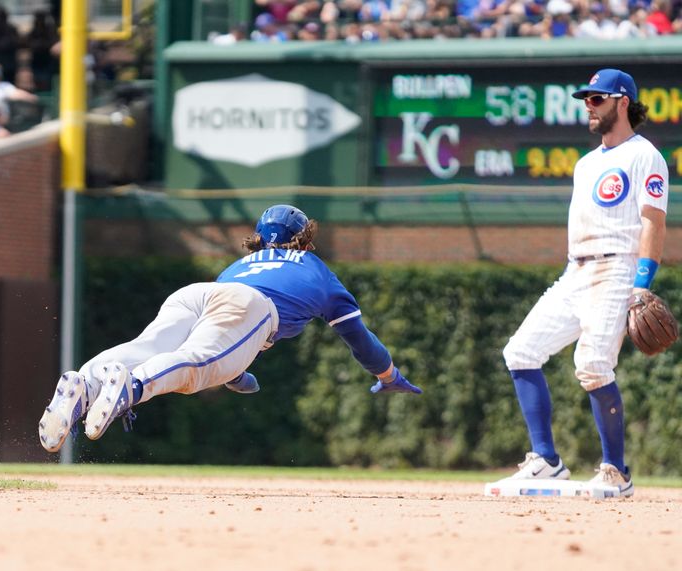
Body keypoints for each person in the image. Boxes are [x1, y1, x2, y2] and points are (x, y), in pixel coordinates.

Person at [39, 205, 423, 452]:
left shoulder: (240, 266)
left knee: (148, 344)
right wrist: (388, 373)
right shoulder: (317, 270)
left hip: (203, 292)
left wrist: (237, 375)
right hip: (252, 308)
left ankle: (85, 383)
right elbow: (360, 341)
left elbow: (230, 339)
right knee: (196, 366)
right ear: (304, 238)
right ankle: (133, 387)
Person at [502, 69, 668, 497]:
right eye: (586, 99)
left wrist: (641, 284)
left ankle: (616, 471)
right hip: (576, 270)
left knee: (592, 364)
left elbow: (653, 222)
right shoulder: (586, 163)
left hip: (617, 267)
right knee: (520, 352)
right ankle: (546, 461)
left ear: (623, 102)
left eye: (598, 98)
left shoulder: (644, 155)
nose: (588, 105)